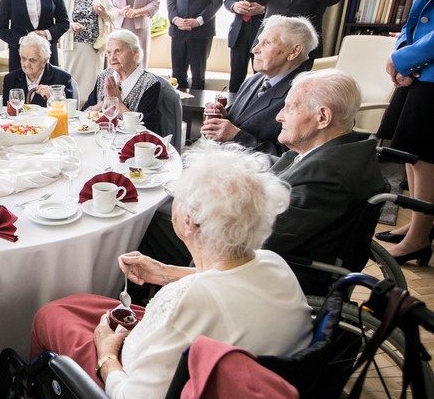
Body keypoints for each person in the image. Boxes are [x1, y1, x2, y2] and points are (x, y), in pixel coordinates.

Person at [30, 142, 312, 399]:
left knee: (50, 316)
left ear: (189, 222)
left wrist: (107, 356)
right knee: (78, 304)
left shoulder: (191, 303)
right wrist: (165, 274)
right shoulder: (272, 262)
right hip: (249, 391)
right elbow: (225, 280)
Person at [140, 70, 386, 296]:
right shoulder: (336, 149)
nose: (279, 116)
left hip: (276, 270)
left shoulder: (329, 173)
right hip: (272, 251)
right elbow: (278, 166)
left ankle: (143, 301)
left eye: (290, 108)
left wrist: (207, 205)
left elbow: (259, 235)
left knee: (151, 219)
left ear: (322, 117)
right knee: (165, 207)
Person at [374, 0, 434, 266]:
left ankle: (419, 238)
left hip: (431, 77)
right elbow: (413, 22)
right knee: (410, 153)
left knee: (425, 158)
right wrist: (399, 54)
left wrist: (403, 60)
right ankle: (418, 223)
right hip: (420, 71)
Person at [201, 15, 317, 156]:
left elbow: (290, 158)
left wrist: (238, 137)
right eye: (258, 42)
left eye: (266, 43)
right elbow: (242, 122)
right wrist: (224, 117)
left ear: (293, 51)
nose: (254, 49)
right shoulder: (254, 80)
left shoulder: (305, 95)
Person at [59, 0, 117, 106]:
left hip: (95, 46)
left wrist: (104, 14)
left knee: (93, 83)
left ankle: (91, 110)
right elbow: (58, 19)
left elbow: (114, 12)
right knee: (72, 81)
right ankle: (72, 109)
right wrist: (71, 25)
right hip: (73, 47)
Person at [83, 30, 161, 133]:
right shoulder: (104, 76)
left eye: (118, 51)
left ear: (135, 52)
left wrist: (117, 103)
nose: (112, 58)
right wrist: (105, 102)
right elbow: (84, 112)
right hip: (100, 136)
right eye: (109, 52)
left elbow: (145, 128)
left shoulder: (149, 83)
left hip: (131, 140)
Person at [2, 33, 74, 107]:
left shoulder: (62, 79)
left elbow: (70, 110)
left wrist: (52, 98)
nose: (26, 64)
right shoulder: (10, 79)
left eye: (32, 60)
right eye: (23, 58)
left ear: (45, 60)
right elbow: (5, 110)